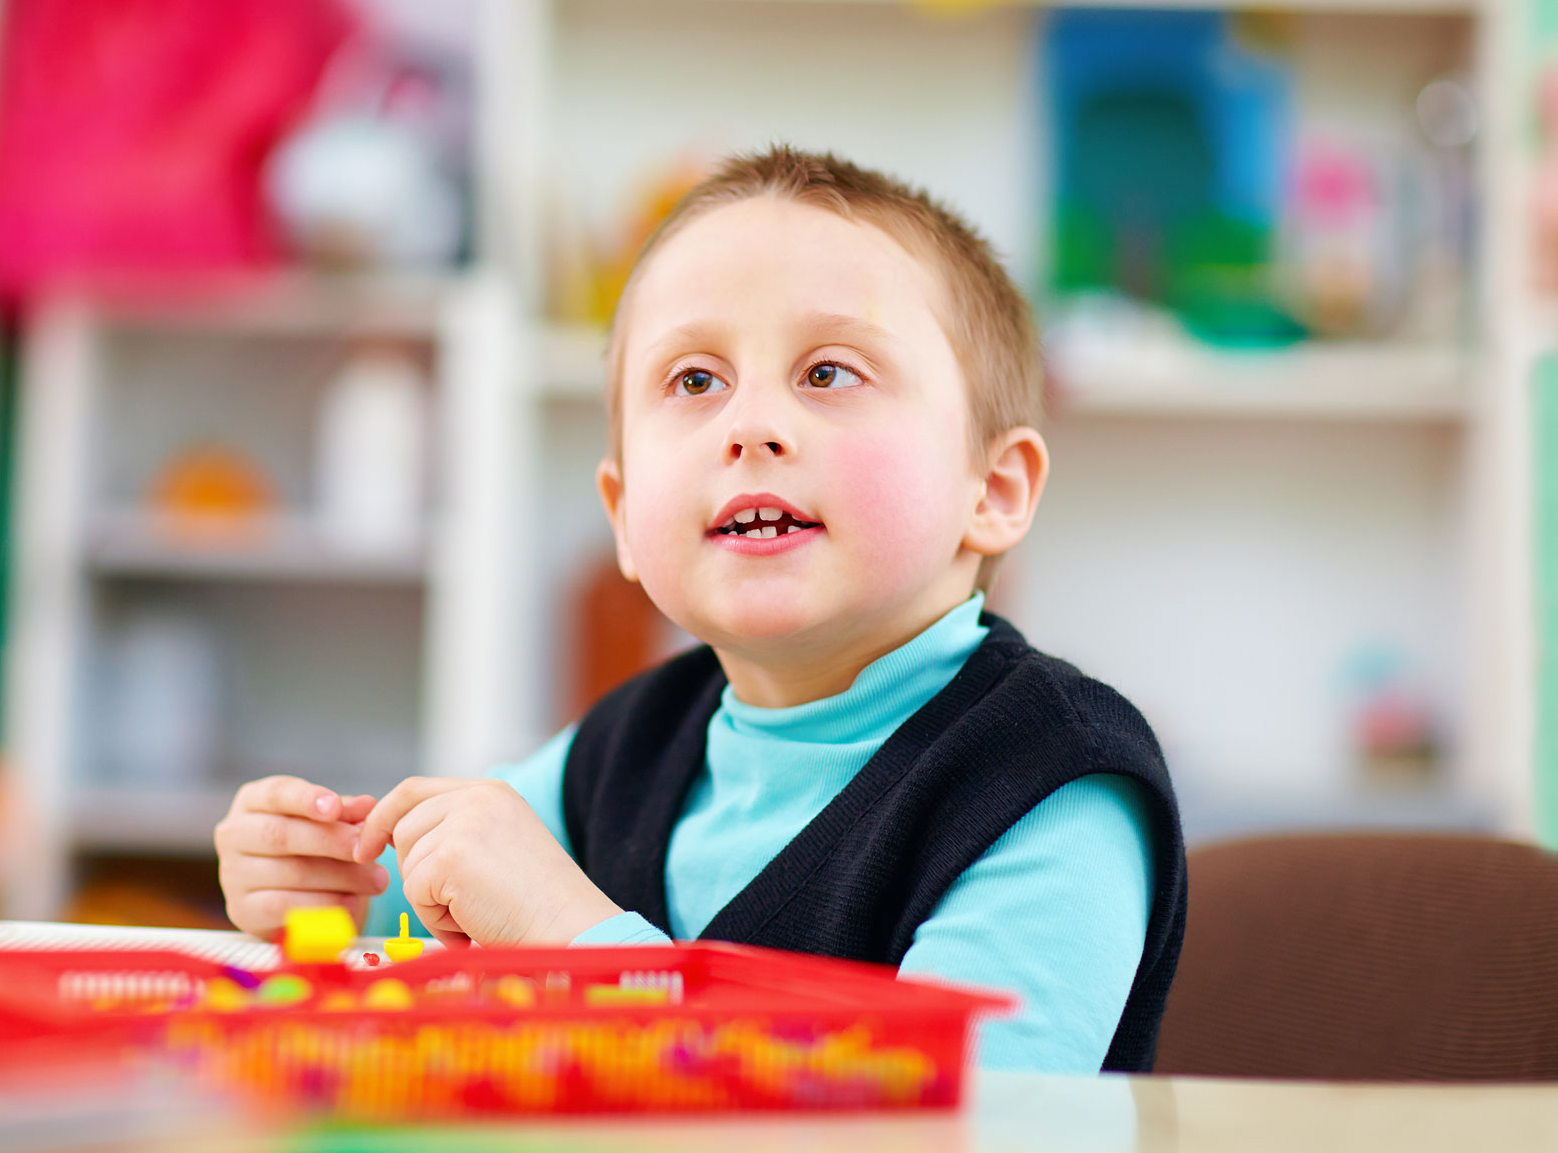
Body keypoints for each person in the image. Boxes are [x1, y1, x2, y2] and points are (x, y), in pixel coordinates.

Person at [215, 146, 1186, 1073]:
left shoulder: (1053, 783)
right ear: (625, 517)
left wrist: (575, 938)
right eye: (694, 381)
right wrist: (320, 889)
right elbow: (412, 922)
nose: (750, 426)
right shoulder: (619, 749)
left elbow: (947, 1131)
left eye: (828, 372)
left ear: (995, 488)